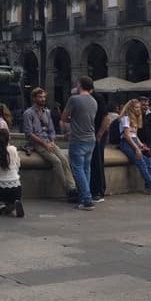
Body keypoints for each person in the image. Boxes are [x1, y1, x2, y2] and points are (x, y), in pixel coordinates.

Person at [21, 88, 77, 201]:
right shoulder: (28, 113)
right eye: (40, 97)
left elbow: (51, 130)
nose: (43, 99)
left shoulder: (47, 112)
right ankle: (67, 190)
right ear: (34, 98)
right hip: (37, 144)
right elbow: (29, 133)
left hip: (49, 142)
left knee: (64, 159)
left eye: (44, 97)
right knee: (56, 162)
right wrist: (45, 144)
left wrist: (51, 141)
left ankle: (73, 187)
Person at [61, 77, 99, 211]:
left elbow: (64, 118)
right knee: (86, 170)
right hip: (91, 139)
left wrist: (66, 130)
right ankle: (84, 198)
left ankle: (87, 200)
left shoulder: (74, 99)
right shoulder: (94, 101)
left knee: (77, 170)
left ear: (80, 85)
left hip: (78, 139)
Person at [117, 99, 151, 196]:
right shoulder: (125, 118)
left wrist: (142, 146)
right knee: (142, 163)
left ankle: (148, 186)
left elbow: (135, 135)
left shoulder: (135, 119)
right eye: (136, 107)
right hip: (127, 143)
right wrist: (136, 148)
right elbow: (127, 135)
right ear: (130, 108)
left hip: (134, 141)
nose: (138, 109)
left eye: (139, 107)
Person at [0, 129, 24, 217]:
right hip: (15, 188)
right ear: (8, 139)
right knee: (10, 203)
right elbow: (18, 165)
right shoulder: (13, 149)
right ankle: (15, 202)